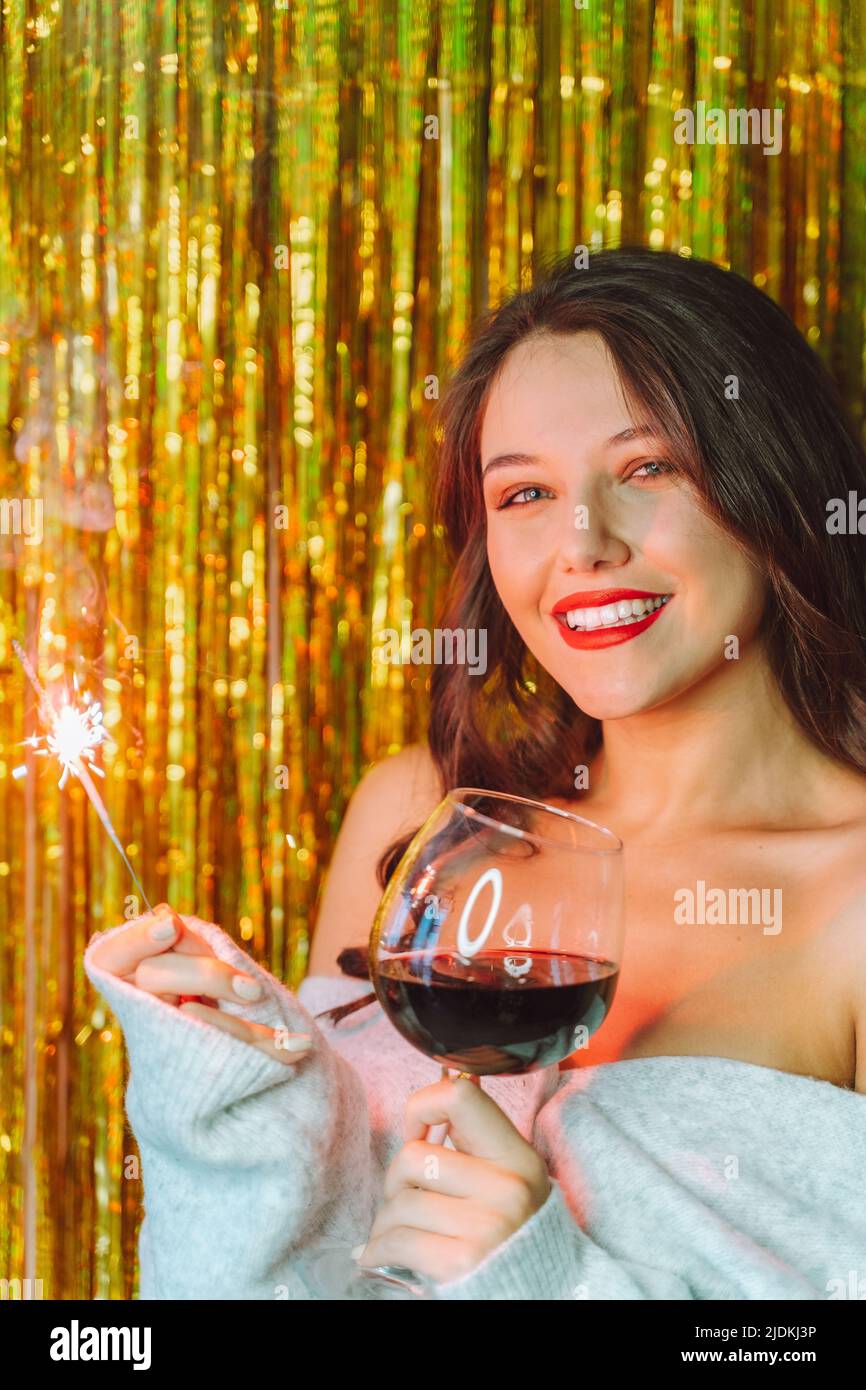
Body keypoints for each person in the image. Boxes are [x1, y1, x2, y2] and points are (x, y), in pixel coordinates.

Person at [86, 247, 866, 1297]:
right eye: (525, 493)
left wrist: (541, 1279)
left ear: (771, 478)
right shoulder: (415, 818)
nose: (580, 544)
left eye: (648, 468)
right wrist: (238, 1125)